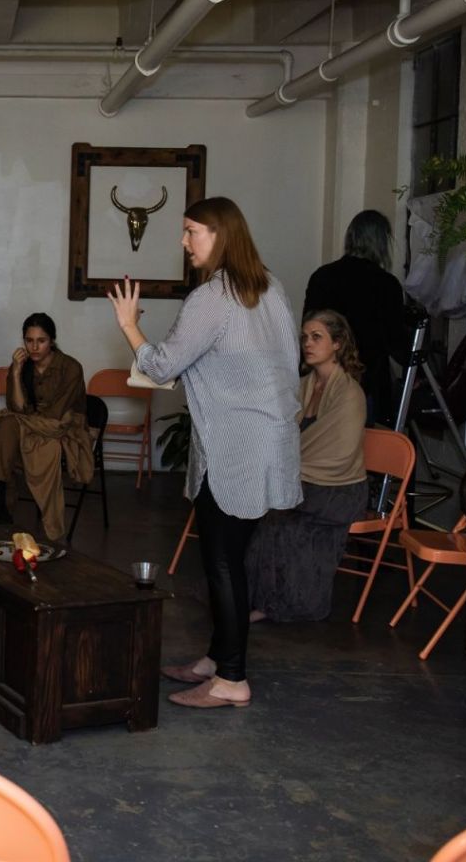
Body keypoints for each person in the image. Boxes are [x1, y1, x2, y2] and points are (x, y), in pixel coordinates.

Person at [108, 196, 301, 710]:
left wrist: (128, 324)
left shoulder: (212, 297)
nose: (183, 241)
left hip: (235, 446)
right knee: (230, 556)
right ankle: (219, 658)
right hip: (268, 440)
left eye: (191, 230)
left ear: (220, 234)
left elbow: (162, 365)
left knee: (222, 561)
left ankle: (232, 680)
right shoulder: (270, 286)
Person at [246, 310, 370, 623]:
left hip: (338, 489)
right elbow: (276, 432)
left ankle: (282, 604)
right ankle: (247, 596)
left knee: (277, 513)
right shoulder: (301, 386)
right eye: (304, 338)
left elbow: (339, 454)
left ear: (337, 344)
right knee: (249, 506)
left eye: (317, 337)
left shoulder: (350, 394)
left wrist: (285, 471)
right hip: (301, 480)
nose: (307, 344)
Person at [0, 313, 94, 541]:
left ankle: (40, 517)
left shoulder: (70, 367)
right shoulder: (22, 366)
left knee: (9, 421)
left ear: (52, 340)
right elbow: (16, 407)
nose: (34, 347)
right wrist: (16, 372)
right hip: (31, 421)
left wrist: (25, 418)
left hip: (63, 425)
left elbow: (56, 415)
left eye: (41, 340)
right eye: (29, 340)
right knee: (6, 423)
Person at [304, 209, 409, 425]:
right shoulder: (386, 284)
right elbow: (395, 341)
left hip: (321, 379)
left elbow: (308, 330)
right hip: (366, 382)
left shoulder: (322, 276)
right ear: (381, 243)